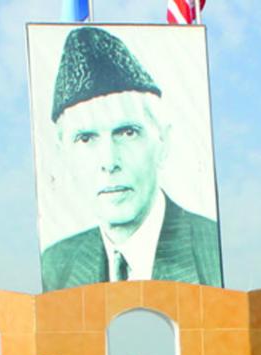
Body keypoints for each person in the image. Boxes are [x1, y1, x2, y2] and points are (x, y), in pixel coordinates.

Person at [39, 26, 222, 291]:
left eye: (127, 132)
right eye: (86, 139)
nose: (109, 162)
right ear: (64, 156)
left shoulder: (213, 254)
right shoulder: (55, 266)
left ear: (163, 142)